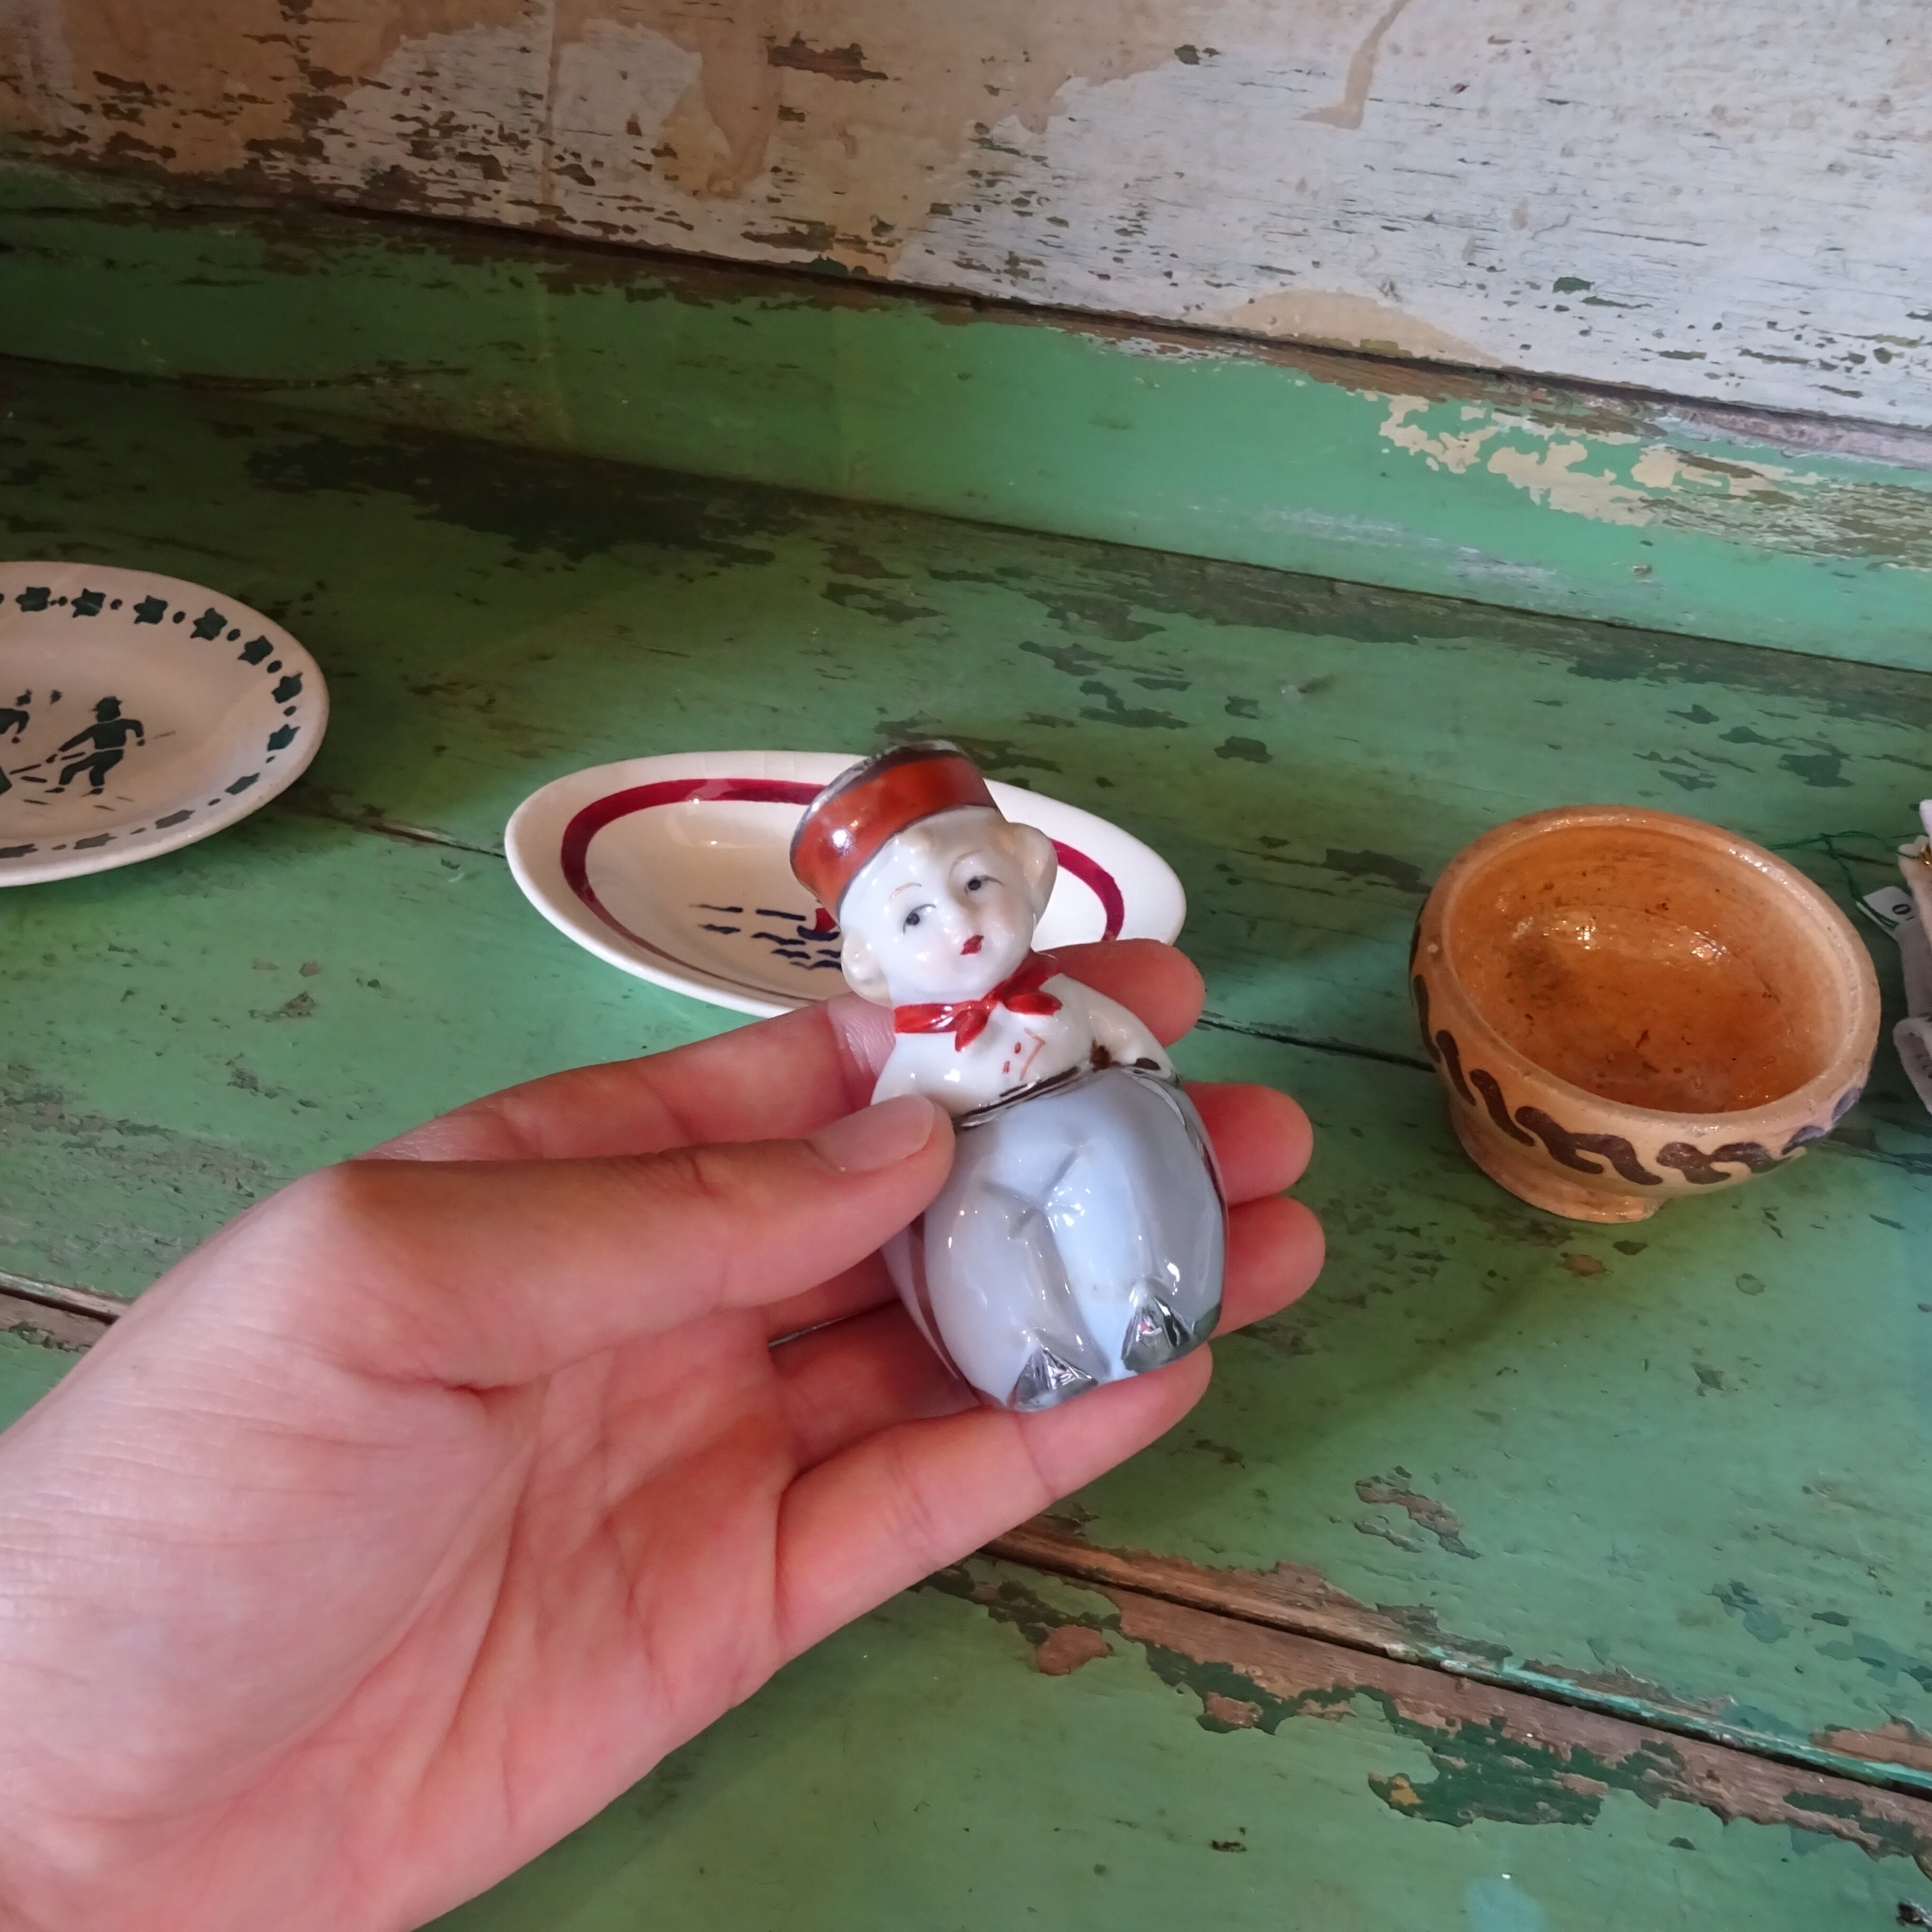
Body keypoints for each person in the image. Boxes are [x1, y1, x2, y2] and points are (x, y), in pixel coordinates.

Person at [0, 940, 1321, 1932]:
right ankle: (1037, 1350)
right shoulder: (916, 1056)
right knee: (987, 1251)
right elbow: (905, 1189)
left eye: (979, 883)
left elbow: (1137, 1059)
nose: (963, 924)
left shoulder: (1061, 1003)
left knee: (1134, 1150)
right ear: (871, 956)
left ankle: (1144, 1305)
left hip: (1075, 1124)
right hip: (973, 1173)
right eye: (919, 911)